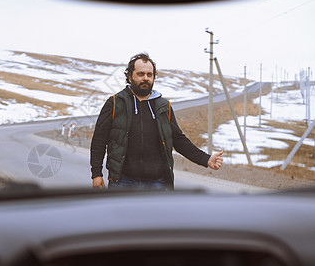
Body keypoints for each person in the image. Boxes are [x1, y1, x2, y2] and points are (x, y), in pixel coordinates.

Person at [90, 53, 223, 189]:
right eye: (141, 74)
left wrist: (206, 159)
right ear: (130, 77)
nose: (145, 78)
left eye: (149, 75)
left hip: (157, 183)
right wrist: (96, 173)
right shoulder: (115, 103)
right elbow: (99, 140)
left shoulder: (163, 106)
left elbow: (179, 140)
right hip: (123, 181)